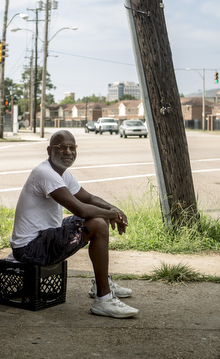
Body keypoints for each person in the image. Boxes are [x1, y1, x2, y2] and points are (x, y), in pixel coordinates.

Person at [9, 130, 139, 318]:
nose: (68, 152)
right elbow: (82, 210)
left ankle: (103, 285)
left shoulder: (62, 174)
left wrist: (116, 211)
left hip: (44, 238)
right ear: (49, 150)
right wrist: (110, 215)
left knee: (98, 220)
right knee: (98, 224)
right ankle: (103, 299)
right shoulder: (45, 173)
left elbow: (88, 198)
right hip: (30, 249)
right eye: (61, 147)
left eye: (72, 147)